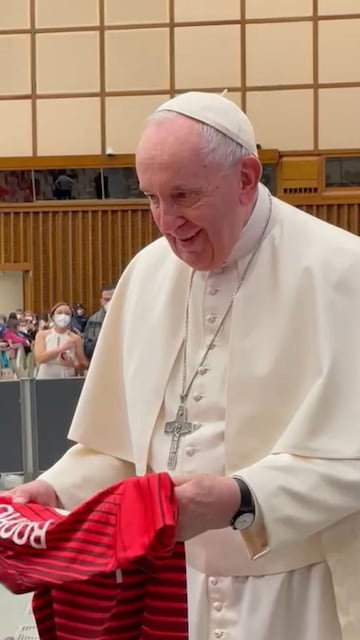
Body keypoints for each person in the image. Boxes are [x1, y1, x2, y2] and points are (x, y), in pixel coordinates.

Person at [9, 92, 360, 640]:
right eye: (151, 198)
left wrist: (243, 499)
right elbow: (119, 446)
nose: (168, 223)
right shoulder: (147, 274)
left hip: (299, 589)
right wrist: (56, 489)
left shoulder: (341, 272)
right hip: (172, 587)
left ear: (246, 177)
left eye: (184, 196)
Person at [33, 302, 87, 379]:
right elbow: (39, 358)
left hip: (68, 377)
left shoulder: (75, 338)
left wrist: (72, 364)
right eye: (60, 312)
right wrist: (60, 349)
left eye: (67, 313)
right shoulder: (42, 335)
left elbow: (83, 364)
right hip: (46, 377)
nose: (63, 316)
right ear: (53, 316)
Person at [82, 285, 115, 359]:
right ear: (101, 301)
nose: (110, 302)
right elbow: (87, 349)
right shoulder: (93, 320)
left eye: (113, 299)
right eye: (106, 300)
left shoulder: (126, 317)